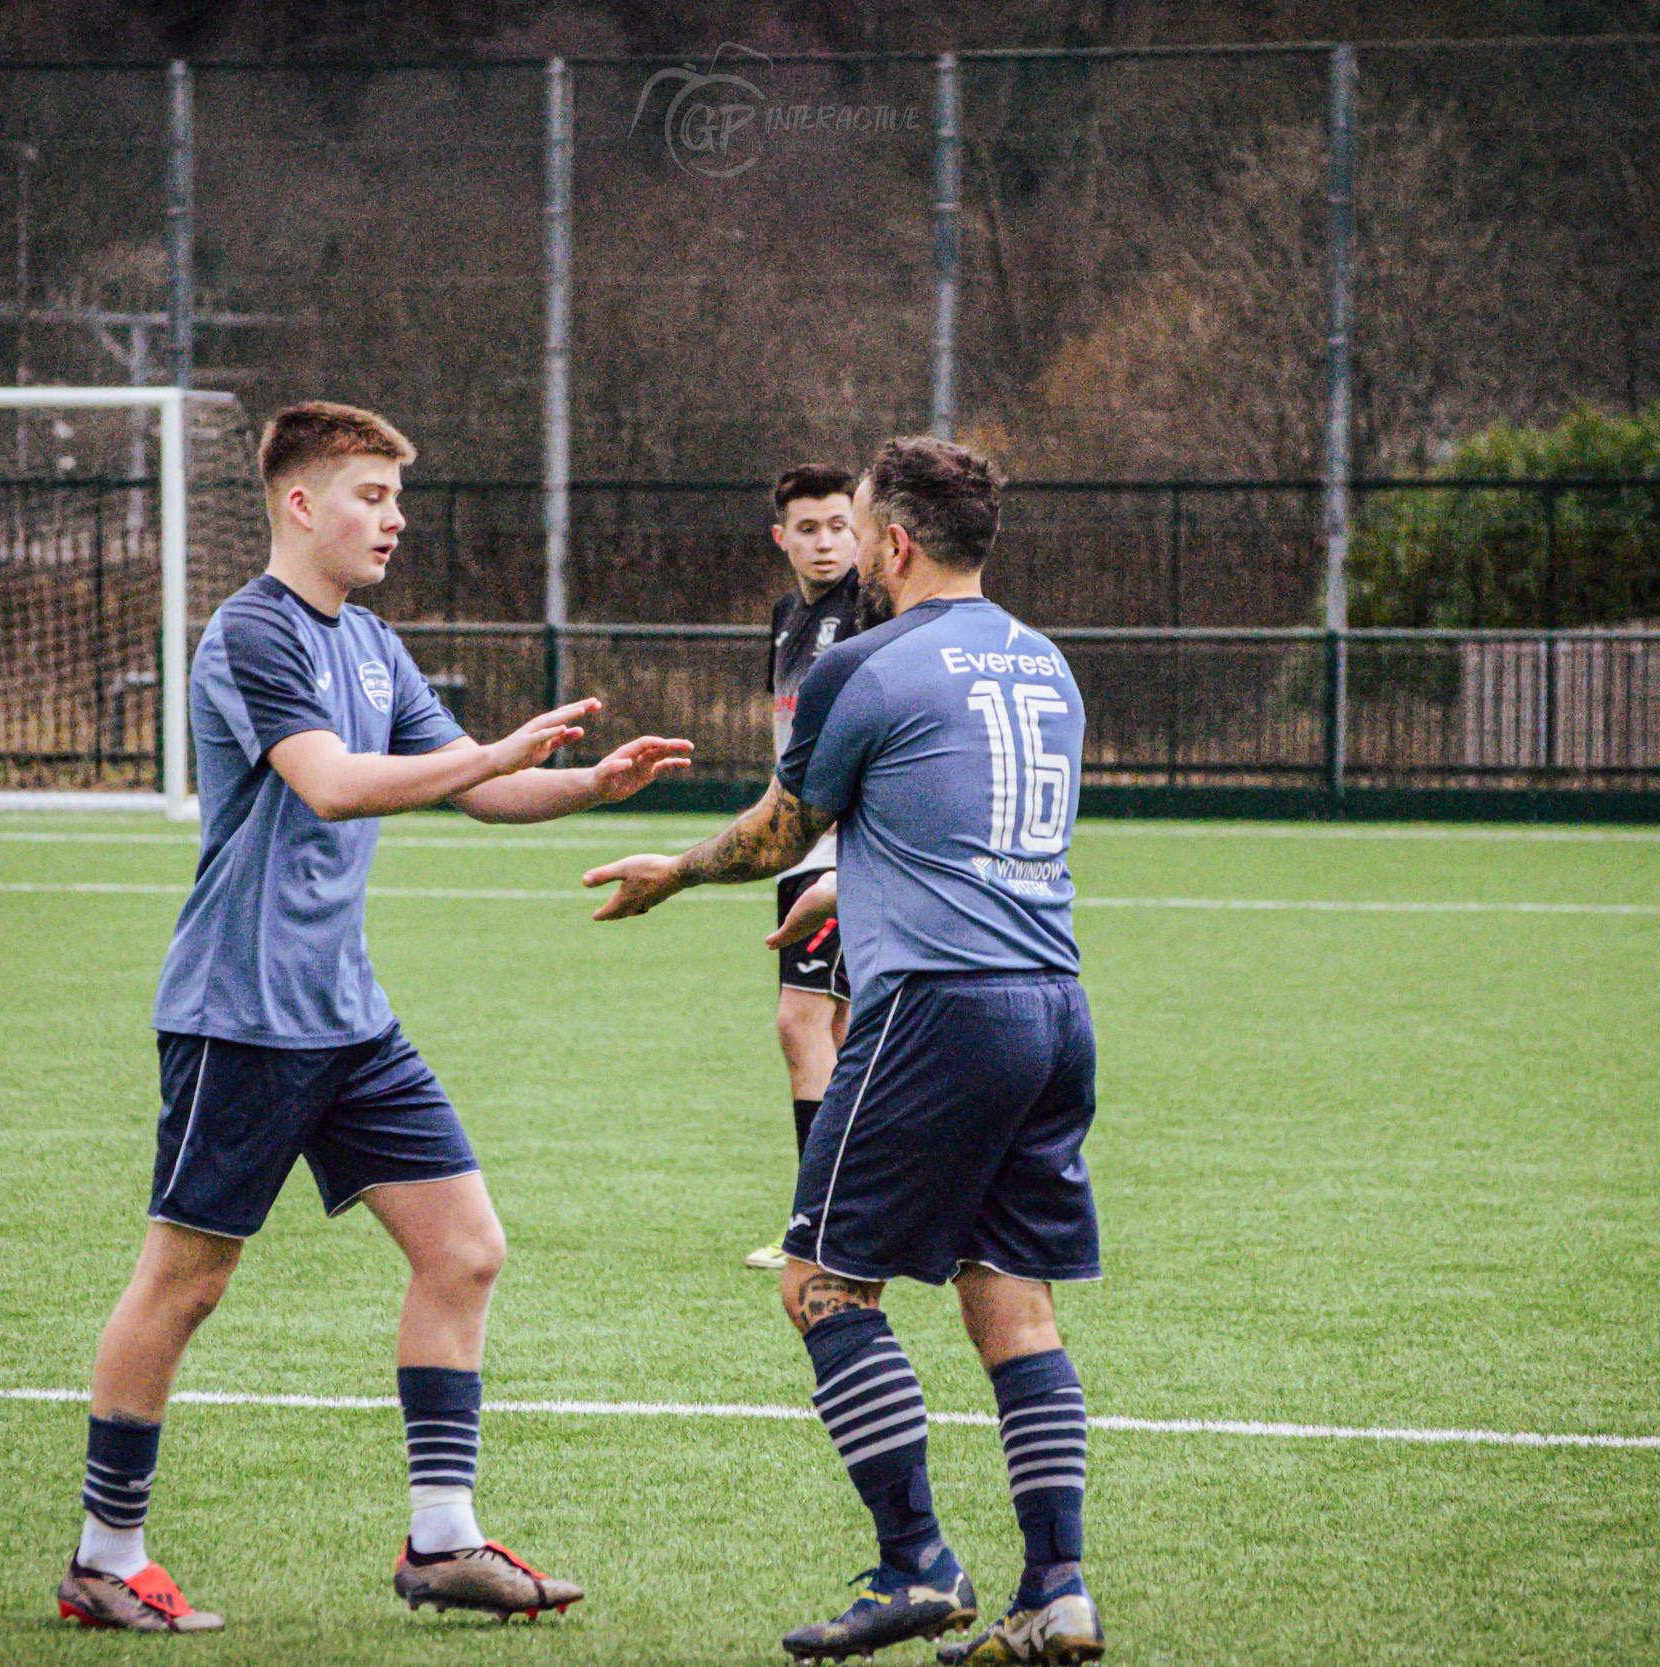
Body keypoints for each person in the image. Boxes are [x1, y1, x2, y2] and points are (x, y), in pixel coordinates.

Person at [55, 400, 691, 1634]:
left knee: (464, 1246)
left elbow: (476, 788)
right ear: (301, 503)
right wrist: (496, 751)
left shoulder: (373, 644)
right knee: (187, 1279)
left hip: (347, 1020)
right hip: (239, 1018)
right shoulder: (253, 634)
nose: (394, 519)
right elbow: (336, 786)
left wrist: (584, 785)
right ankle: (102, 1552)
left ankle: (443, 1539)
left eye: (399, 499)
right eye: (373, 496)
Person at [584, 436, 1105, 1665]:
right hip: (1052, 1003)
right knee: (1009, 1298)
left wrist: (674, 872)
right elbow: (954, 814)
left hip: (937, 1009)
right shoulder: (1046, 663)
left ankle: (916, 1562)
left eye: (862, 523)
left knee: (820, 1281)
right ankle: (1058, 1589)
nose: (854, 542)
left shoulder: (865, 663)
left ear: (896, 541)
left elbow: (776, 831)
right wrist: (859, 887)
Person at [745, 462, 862, 1271]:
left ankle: (819, 1223)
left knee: (801, 1020)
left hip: (848, 846)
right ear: (781, 537)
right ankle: (860, 1213)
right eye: (809, 529)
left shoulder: (876, 613)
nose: (825, 543)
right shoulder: (789, 616)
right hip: (802, 846)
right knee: (849, 1028)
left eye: (840, 527)